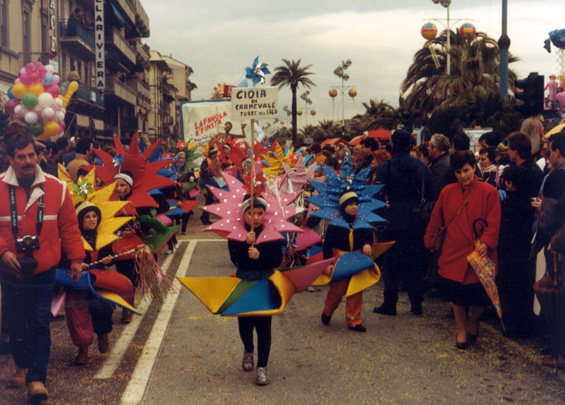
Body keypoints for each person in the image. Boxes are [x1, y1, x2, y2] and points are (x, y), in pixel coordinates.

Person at [0, 124, 84, 403]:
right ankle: (22, 365)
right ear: (10, 159)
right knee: (15, 323)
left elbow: (69, 226)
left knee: (38, 321)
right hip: (9, 269)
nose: (28, 161)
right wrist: (3, 252)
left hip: (44, 267)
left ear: (37, 155)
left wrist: (76, 258)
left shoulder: (57, 187)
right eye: (21, 156)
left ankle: (37, 379)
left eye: (31, 155)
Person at [424, 150, 501, 350]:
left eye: (466, 170)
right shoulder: (447, 191)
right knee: (456, 295)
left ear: (474, 168)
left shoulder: (488, 191)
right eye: (458, 172)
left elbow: (494, 220)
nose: (463, 176)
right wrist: (430, 239)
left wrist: (486, 242)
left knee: (480, 295)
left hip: (479, 252)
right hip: (454, 251)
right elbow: (437, 218)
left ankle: (474, 322)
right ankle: (461, 330)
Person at [372, 130, 436, 316]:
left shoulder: (385, 167)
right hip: (417, 220)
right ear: (410, 146)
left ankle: (390, 303)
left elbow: (377, 195)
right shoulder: (423, 167)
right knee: (415, 261)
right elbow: (431, 195)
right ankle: (416, 303)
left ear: (392, 145)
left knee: (391, 262)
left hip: (391, 219)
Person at [227, 195, 282, 386]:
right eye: (251, 213)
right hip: (244, 281)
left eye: (260, 213)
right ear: (244, 214)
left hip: (265, 282)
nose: (256, 217)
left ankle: (262, 366)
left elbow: (277, 260)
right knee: (245, 323)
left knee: (264, 326)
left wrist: (260, 255)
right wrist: (244, 244)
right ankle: (249, 349)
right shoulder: (235, 234)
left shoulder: (272, 233)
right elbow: (235, 260)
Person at [64, 202, 115, 365]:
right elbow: (62, 260)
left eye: (94, 216)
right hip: (77, 281)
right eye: (87, 217)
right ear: (80, 220)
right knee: (78, 314)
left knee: (101, 308)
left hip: (98, 279)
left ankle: (102, 333)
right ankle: (83, 349)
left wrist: (108, 259)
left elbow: (111, 256)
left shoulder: (103, 236)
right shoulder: (71, 238)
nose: (92, 220)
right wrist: (75, 263)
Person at [530, 131, 565, 368]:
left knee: (556, 298)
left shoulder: (556, 177)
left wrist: (544, 244)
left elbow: (549, 220)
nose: (547, 155)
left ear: (557, 152)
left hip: (557, 247)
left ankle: (559, 354)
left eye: (549, 150)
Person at [321, 190, 373, 331]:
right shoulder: (335, 224)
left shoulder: (361, 222)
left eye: (356, 204)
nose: (354, 207)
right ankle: (328, 310)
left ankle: (354, 320)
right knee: (337, 290)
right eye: (350, 204)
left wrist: (367, 244)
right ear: (343, 206)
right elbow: (327, 246)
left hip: (357, 258)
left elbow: (368, 236)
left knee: (356, 289)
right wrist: (328, 264)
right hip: (341, 259)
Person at [496, 165, 536, 338]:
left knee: (511, 288)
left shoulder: (507, 203)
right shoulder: (529, 202)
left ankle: (515, 325)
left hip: (509, 250)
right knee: (523, 288)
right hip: (525, 250)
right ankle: (525, 324)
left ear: (510, 183)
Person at [507, 131, 544, 199]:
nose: (507, 152)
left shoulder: (531, 173)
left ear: (516, 151)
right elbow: (498, 182)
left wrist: (511, 191)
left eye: (509, 149)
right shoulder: (512, 167)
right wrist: (498, 179)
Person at [427, 133, 453, 197]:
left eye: (429, 145)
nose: (428, 148)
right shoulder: (447, 158)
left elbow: (436, 189)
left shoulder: (441, 166)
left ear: (435, 148)